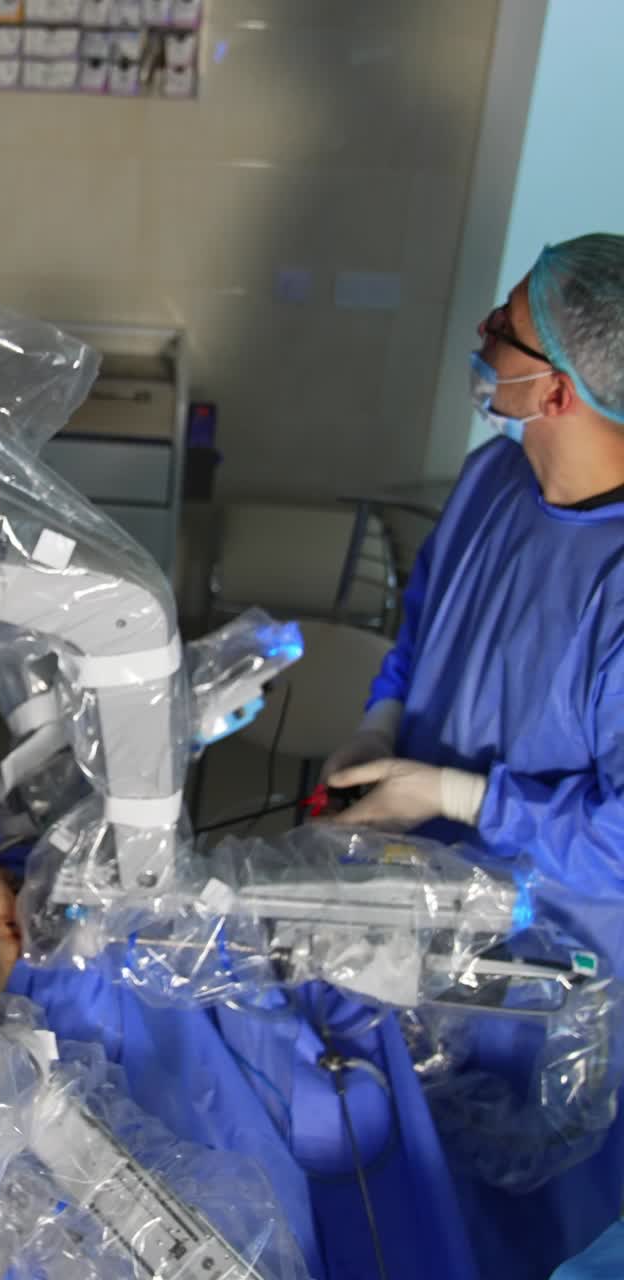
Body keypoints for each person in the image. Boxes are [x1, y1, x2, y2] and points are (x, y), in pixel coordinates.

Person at [322, 234, 624, 933]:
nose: (483, 332)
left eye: (505, 328)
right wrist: (382, 727)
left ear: (556, 392)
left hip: (547, 947)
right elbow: (426, 629)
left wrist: (461, 797)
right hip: (414, 893)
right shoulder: (492, 479)